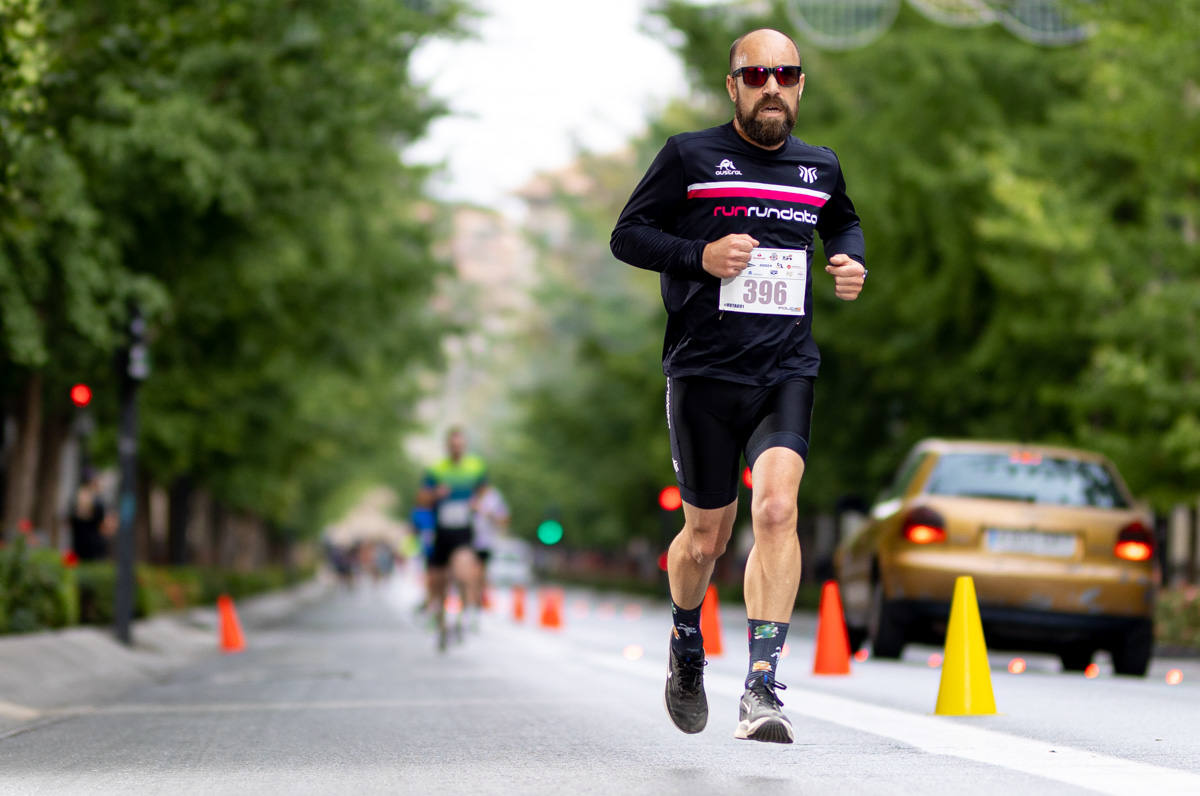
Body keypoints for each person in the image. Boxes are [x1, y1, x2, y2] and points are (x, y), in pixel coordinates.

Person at [610, 28, 867, 744]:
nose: (772, 86)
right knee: (703, 538)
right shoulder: (690, 155)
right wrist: (700, 254)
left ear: (801, 84)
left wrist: (847, 259)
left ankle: (761, 686)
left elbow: (842, 221)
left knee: (778, 510)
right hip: (702, 371)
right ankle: (686, 639)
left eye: (786, 73)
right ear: (733, 86)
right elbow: (628, 234)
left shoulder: (819, 166)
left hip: (785, 368)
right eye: (756, 75)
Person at [416, 427, 488, 651]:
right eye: (453, 444)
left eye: (460, 444)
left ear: (465, 446)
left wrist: (477, 502)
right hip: (441, 531)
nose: (457, 448)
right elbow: (421, 499)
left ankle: (464, 616)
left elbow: (485, 491)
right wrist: (436, 494)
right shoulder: (436, 469)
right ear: (447, 446)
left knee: (463, 572)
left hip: (463, 530)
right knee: (438, 582)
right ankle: (440, 626)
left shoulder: (476, 466)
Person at [471, 482, 510, 616]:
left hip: (485, 543)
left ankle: (477, 600)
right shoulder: (468, 495)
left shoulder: (494, 498)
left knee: (479, 573)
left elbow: (504, 519)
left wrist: (485, 511)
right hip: (466, 540)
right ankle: (472, 599)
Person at [69, 468, 115, 561]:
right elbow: (104, 525)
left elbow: (71, 520)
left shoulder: (76, 500)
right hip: (94, 544)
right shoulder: (98, 502)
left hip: (79, 543)